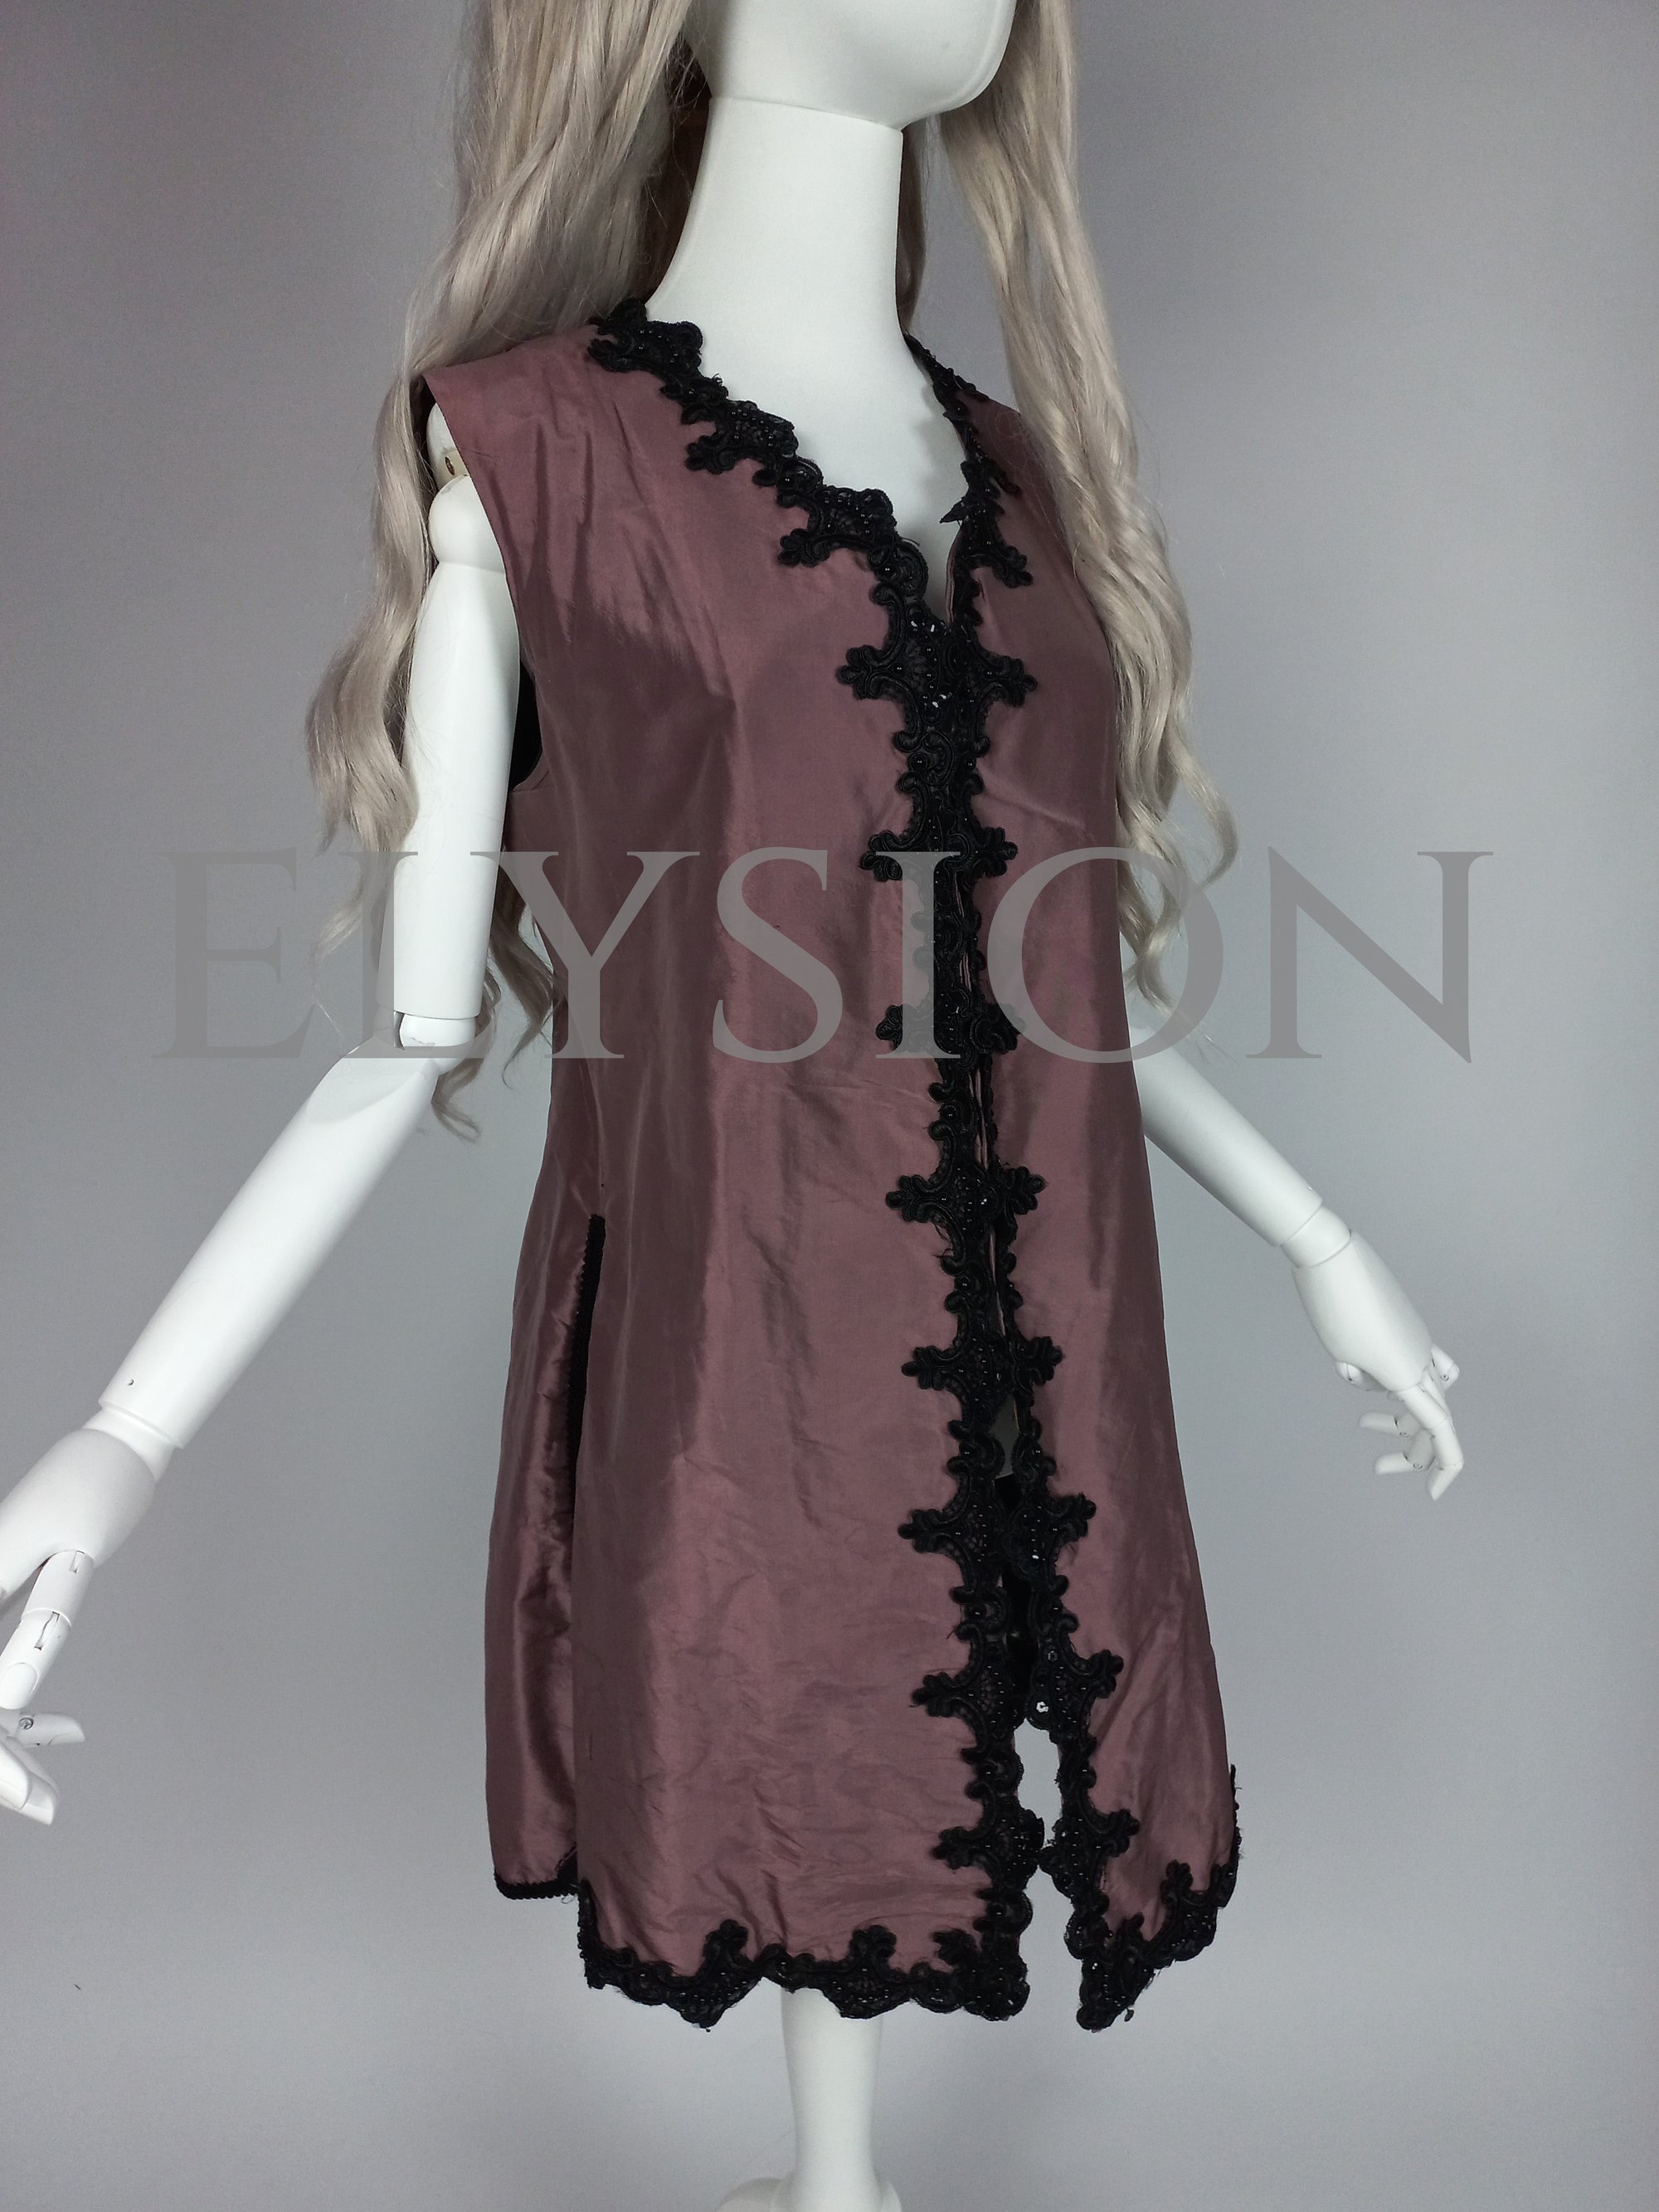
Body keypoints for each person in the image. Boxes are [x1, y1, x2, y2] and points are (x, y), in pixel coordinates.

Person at [0, 7, 1463, 2210]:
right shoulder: (539, 453)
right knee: (795, 1678)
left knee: (962, 1662)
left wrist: (1319, 1235)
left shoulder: (1015, 469)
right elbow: (406, 1042)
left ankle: (837, 2179)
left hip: (1032, 1275)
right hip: (750, 1282)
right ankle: (832, 2178)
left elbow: (1049, 971)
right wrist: (119, 1443)